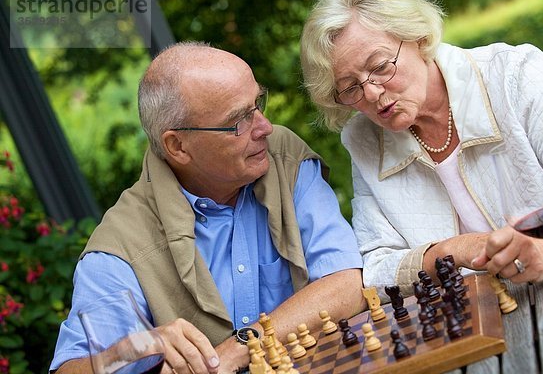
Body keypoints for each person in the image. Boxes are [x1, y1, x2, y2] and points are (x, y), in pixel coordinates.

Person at [50, 41, 366, 374]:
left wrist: (238, 349)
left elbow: (346, 282)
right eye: (238, 121)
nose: (265, 127)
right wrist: (137, 347)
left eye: (258, 103)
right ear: (178, 146)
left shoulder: (283, 157)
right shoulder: (120, 248)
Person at [300, 0, 543, 297]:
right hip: (481, 319)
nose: (371, 93)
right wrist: (456, 249)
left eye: (381, 66)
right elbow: (376, 268)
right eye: (350, 87)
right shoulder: (364, 138)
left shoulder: (514, 74)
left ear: (416, 37)